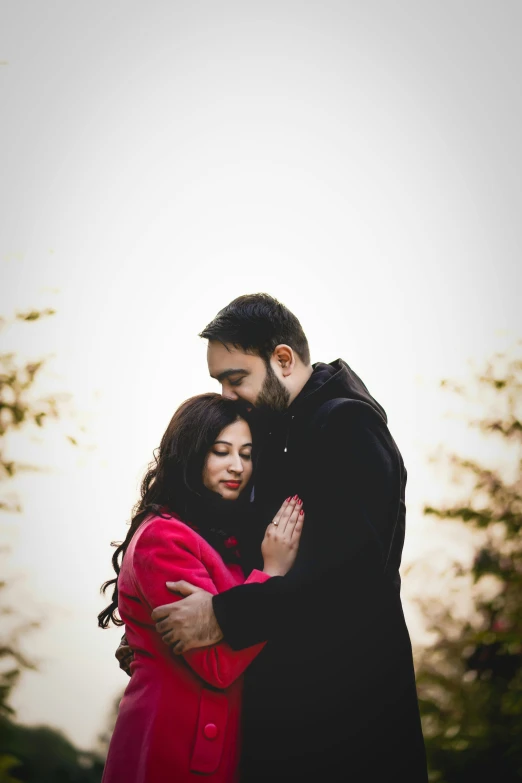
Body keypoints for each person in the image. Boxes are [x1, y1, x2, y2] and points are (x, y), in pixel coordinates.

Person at [140, 293, 428, 782]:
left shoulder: (346, 425)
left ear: (283, 359)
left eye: (237, 379)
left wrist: (221, 618)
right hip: (284, 719)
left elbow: (350, 576)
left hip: (347, 727)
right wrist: (164, 645)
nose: (228, 396)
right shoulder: (279, 430)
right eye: (220, 383)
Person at [99, 393, 305, 783]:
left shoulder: (223, 537)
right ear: (191, 454)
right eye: (221, 451)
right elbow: (216, 665)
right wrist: (272, 572)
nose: (237, 466)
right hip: (172, 742)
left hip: (221, 748)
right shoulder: (164, 537)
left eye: (246, 454)